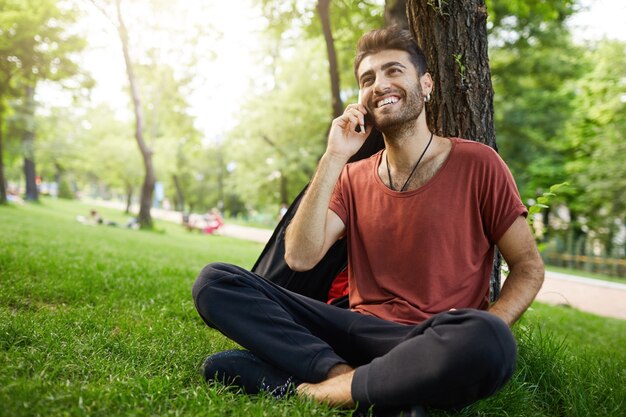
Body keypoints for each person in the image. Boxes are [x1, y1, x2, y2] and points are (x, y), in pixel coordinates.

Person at [192, 27, 544, 416]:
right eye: (368, 78)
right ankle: (357, 382)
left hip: (436, 338)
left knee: (490, 337)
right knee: (216, 282)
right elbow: (299, 256)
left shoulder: (479, 164)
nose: (380, 84)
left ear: (426, 84)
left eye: (394, 71)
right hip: (354, 329)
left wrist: (490, 322)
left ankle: (316, 390)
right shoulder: (352, 175)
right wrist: (334, 156)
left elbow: (528, 268)